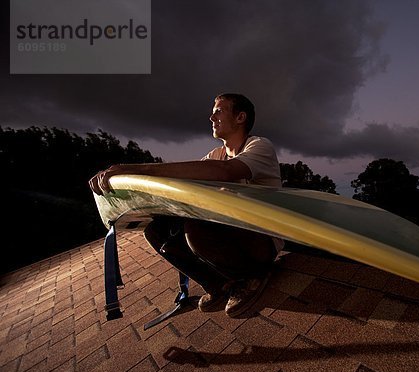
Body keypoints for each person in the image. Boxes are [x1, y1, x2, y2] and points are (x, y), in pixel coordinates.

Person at [89, 93, 283, 317]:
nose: (211, 117)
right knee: (156, 230)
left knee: (197, 227)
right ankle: (217, 285)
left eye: (219, 111)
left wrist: (131, 169)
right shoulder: (215, 155)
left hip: (262, 240)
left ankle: (250, 277)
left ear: (240, 117)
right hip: (233, 232)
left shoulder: (259, 146)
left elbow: (224, 172)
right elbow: (181, 178)